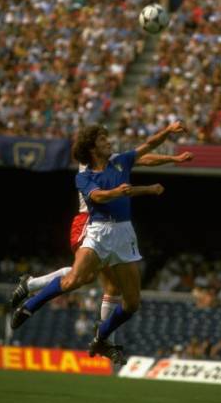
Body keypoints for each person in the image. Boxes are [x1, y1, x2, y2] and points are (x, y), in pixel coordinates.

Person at [11, 121, 188, 363]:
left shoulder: (119, 160)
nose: (109, 141)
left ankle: (102, 337)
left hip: (124, 234)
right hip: (95, 229)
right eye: (103, 139)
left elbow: (146, 151)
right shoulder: (84, 176)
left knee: (131, 302)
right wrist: (128, 190)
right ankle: (31, 300)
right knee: (78, 278)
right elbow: (98, 196)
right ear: (92, 148)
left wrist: (169, 139)